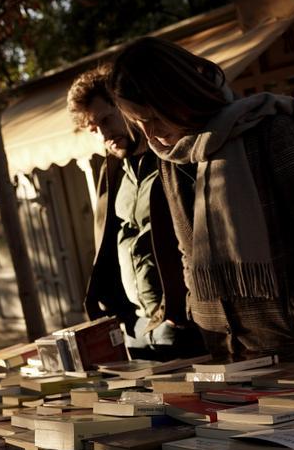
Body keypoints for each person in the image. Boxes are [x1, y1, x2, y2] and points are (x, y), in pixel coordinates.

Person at [107, 37, 294, 362]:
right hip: (227, 352)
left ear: (179, 95)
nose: (150, 135)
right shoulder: (170, 157)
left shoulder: (266, 129)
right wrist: (200, 312)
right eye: (138, 124)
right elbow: (187, 249)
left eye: (155, 118)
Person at [67, 65, 204, 360]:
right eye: (95, 128)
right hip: (137, 325)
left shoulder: (174, 157)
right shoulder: (113, 171)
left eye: (107, 119)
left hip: (186, 321)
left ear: (126, 108)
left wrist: (184, 312)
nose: (104, 134)